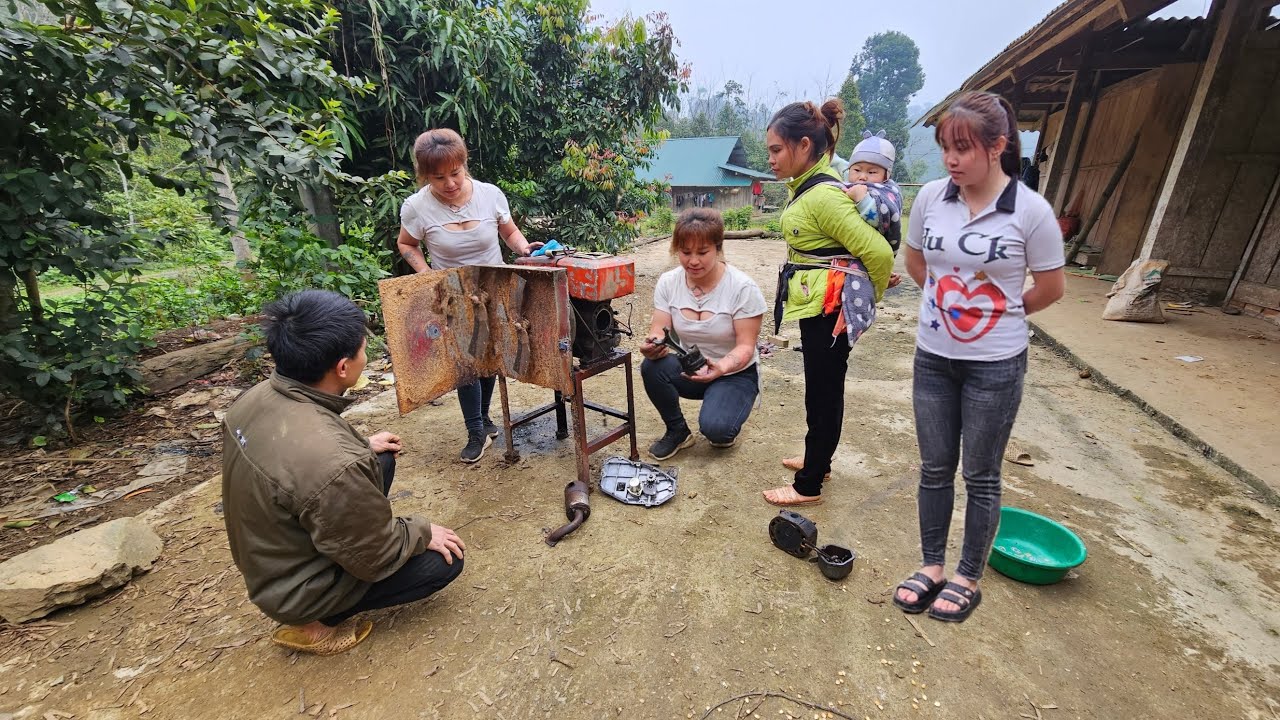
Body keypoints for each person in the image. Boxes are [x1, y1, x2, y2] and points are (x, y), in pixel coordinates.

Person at [893, 91, 1065, 623]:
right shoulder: (931, 198)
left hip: (996, 365)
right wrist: (945, 308)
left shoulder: (1031, 212)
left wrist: (998, 319)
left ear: (998, 146)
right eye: (946, 146)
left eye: (963, 148)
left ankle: (968, 574)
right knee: (934, 467)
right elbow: (917, 262)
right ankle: (932, 565)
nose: (951, 158)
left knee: (982, 474)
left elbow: (1050, 288)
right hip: (933, 358)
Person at [222, 290, 467, 655]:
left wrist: (361, 449)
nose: (366, 358)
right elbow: (379, 555)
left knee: (379, 460)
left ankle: (337, 556)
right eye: (363, 350)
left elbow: (300, 467)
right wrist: (420, 532)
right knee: (444, 562)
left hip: (271, 553)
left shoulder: (257, 398)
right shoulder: (334, 465)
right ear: (342, 367)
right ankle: (314, 625)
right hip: (294, 589)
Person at [760, 100, 895, 507]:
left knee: (824, 392)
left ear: (804, 145)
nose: (770, 159)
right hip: (818, 305)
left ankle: (809, 484)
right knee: (819, 389)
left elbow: (881, 255)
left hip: (832, 310)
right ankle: (819, 459)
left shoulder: (824, 197)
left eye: (775, 150)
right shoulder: (808, 188)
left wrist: (863, 305)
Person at [395, 128, 542, 463]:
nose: (450, 183)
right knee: (466, 363)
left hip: (495, 288)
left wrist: (523, 248)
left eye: (455, 173)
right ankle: (475, 430)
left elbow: (509, 231)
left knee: (489, 358)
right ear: (424, 176)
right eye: (439, 177)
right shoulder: (416, 207)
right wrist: (425, 273)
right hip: (454, 293)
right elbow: (407, 244)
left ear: (464, 164)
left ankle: (486, 419)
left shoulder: (489, 195)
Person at [639, 208, 767, 460]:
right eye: (685, 253)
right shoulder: (669, 282)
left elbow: (745, 347)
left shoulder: (742, 287)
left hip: (734, 373)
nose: (693, 261)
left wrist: (721, 368)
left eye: (702, 252)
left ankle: (723, 413)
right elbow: (659, 329)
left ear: (718, 249)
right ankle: (678, 431)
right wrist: (652, 344)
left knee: (717, 431)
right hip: (693, 367)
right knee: (651, 367)